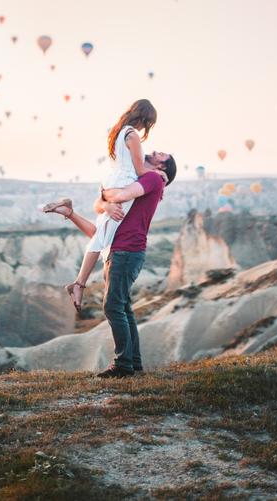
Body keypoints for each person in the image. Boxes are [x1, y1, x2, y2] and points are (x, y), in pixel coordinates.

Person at [44, 151, 177, 378]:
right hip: (119, 251)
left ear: (162, 169)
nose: (152, 151)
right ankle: (133, 363)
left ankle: (123, 364)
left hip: (127, 251)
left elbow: (119, 196)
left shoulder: (153, 179)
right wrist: (100, 204)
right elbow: (100, 226)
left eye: (160, 154)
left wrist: (105, 195)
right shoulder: (142, 180)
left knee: (113, 306)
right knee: (123, 307)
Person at [43, 99, 159, 313]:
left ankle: (69, 214)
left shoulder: (117, 132)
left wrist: (105, 201)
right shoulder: (132, 135)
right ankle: (78, 285)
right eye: (148, 123)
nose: (146, 128)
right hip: (124, 184)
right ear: (145, 118)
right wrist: (157, 176)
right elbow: (141, 171)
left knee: (102, 234)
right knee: (101, 239)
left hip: (111, 181)